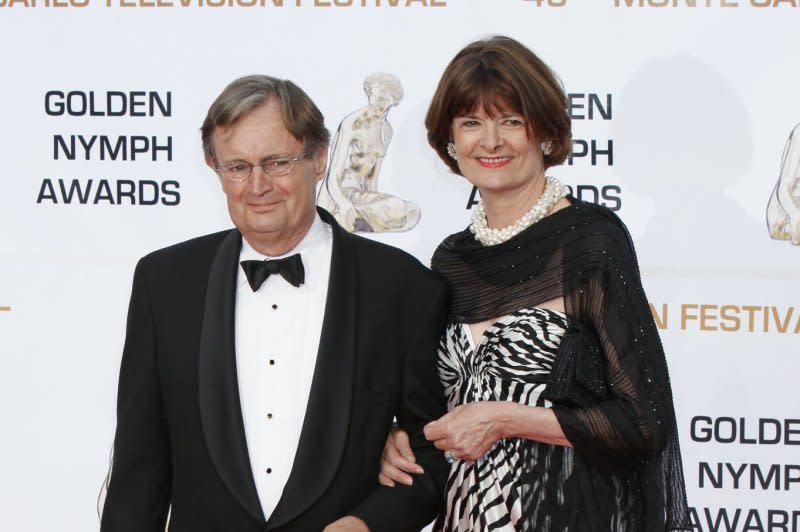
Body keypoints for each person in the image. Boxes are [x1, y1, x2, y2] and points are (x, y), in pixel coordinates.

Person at [100, 75, 450, 532]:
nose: (258, 185)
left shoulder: (403, 287)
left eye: (278, 162)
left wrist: (369, 524)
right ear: (215, 169)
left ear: (319, 157)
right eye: (237, 167)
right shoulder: (164, 282)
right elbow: (138, 466)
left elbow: (435, 448)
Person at [379, 36, 691, 531]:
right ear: (450, 142)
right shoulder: (450, 260)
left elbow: (643, 421)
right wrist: (400, 435)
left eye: (510, 121)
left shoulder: (591, 240)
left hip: (572, 514)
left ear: (544, 132)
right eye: (471, 123)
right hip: (469, 514)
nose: (491, 141)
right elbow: (439, 401)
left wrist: (506, 418)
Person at [318, 72, 420, 233]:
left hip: (360, 197)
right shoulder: (352, 123)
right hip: (337, 197)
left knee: (409, 210)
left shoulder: (386, 131)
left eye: (384, 99)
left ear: (393, 100)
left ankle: (355, 221)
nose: (378, 103)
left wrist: (374, 202)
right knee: (391, 212)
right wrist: (343, 203)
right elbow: (334, 172)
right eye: (375, 96)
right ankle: (341, 219)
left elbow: (372, 178)